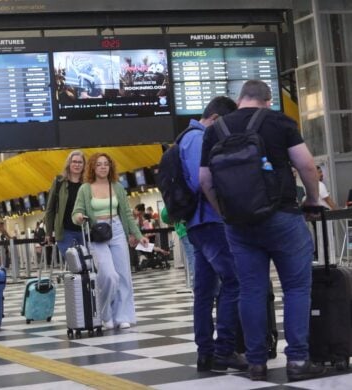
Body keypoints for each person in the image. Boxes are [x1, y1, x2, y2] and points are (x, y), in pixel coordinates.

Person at [199, 80, 324, 381]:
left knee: (251, 290)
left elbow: (205, 180)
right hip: (282, 216)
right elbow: (307, 165)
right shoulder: (279, 121)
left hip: (239, 226)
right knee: (295, 288)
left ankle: (256, 362)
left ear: (240, 99)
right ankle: (297, 360)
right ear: (267, 101)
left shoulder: (215, 130)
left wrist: (224, 213)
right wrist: (312, 198)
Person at [164, 96, 246, 371]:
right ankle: (224, 351)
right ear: (216, 119)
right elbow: (202, 181)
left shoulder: (185, 138)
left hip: (197, 224)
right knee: (234, 281)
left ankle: (205, 353)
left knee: (204, 290)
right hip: (210, 221)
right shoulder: (199, 138)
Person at [72, 152, 149, 330]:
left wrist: (139, 235)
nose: (103, 167)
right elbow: (76, 211)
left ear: (110, 166)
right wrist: (79, 217)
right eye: (99, 164)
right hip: (97, 232)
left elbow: (127, 215)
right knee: (109, 275)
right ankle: (105, 312)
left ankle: (122, 315)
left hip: (116, 230)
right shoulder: (85, 188)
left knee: (124, 276)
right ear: (93, 167)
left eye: (106, 164)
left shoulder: (117, 187)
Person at [44, 150, 86, 259]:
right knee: (75, 263)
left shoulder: (87, 184)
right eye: (74, 162)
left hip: (85, 231)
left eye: (80, 162)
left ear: (84, 165)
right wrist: (48, 232)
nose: (77, 165)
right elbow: (50, 209)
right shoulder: (59, 182)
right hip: (65, 231)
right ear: (69, 164)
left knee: (89, 264)